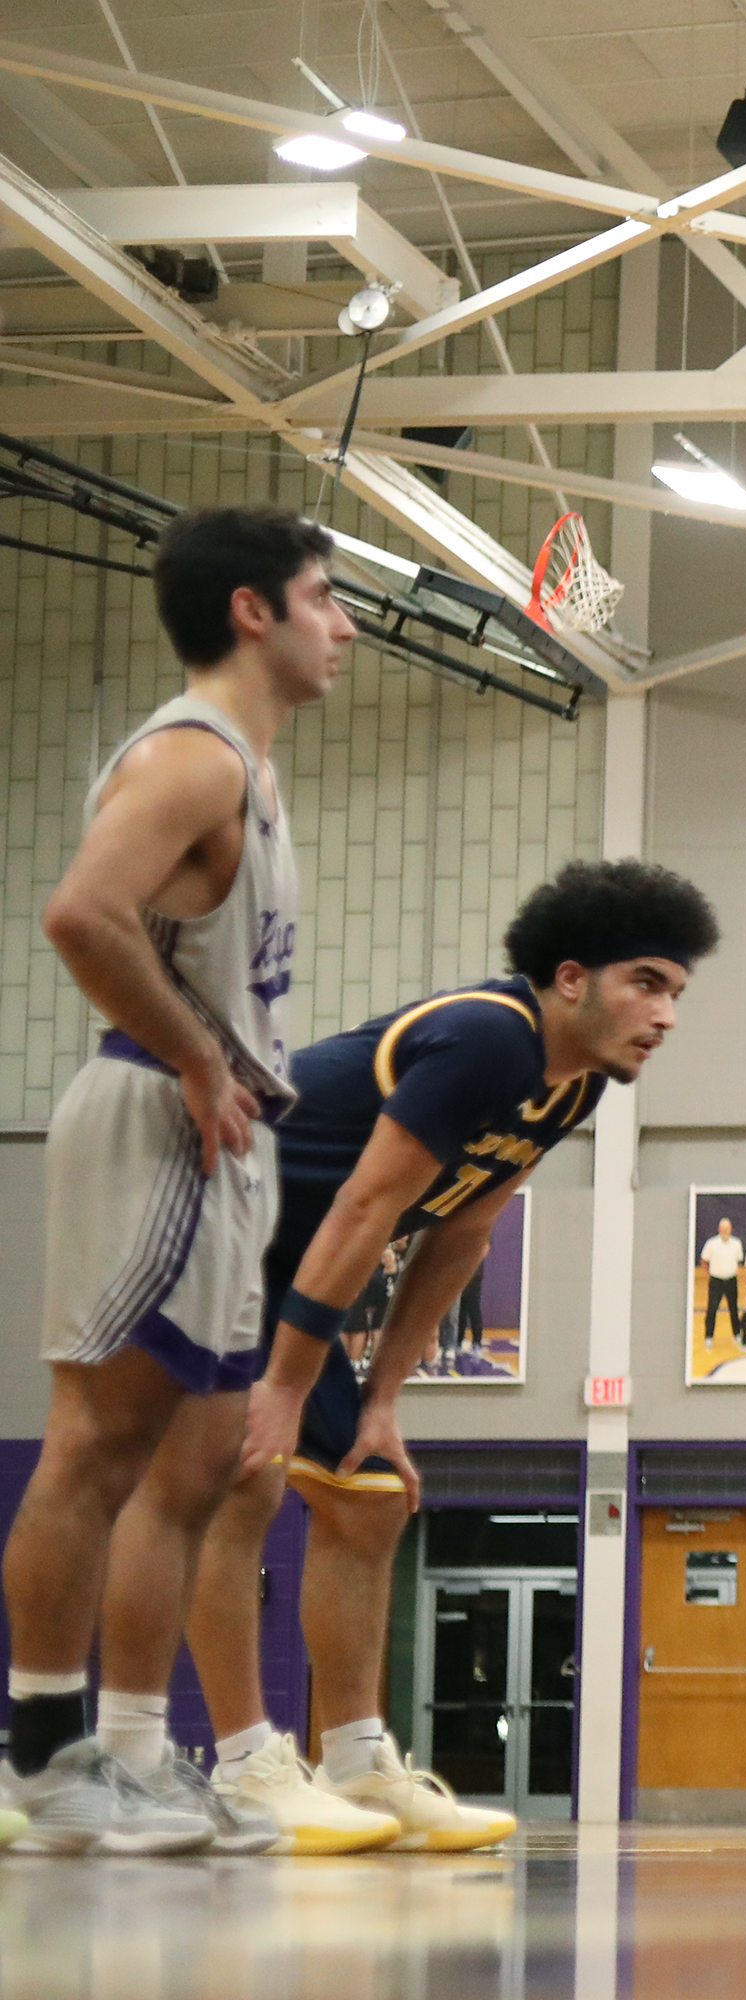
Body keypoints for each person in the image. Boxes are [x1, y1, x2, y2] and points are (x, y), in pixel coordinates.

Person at [101, 858, 718, 1855]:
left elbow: (459, 1235)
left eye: (677, 992)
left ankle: (355, 1759)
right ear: (571, 977)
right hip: (203, 1221)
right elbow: (367, 1205)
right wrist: (288, 1386)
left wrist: (384, 1398)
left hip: (286, 1260)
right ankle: (248, 1762)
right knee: (245, 1478)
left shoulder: (572, 1091)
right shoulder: (486, 1036)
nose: (666, 1013)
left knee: (371, 1489)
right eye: (647, 980)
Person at [9, 506, 350, 1856]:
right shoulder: (191, 759)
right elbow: (79, 914)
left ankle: (143, 1754)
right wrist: (201, 1062)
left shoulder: (251, 773)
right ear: (255, 611)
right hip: (159, 1114)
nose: (346, 625)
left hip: (220, 1127)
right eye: (326, 598)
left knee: (202, 1464)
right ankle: (40, 1752)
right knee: (98, 1442)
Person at [698, 1219, 745, 1344]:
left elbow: (739, 1260)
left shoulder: (736, 1243)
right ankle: (709, 1337)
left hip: (731, 1280)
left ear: (731, 1229)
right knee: (712, 1309)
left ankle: (736, 1334)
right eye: (723, 1228)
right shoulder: (711, 1243)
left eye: (727, 1228)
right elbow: (704, 1260)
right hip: (716, 1281)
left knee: (734, 1309)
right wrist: (712, 1273)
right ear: (719, 1229)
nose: (725, 1230)